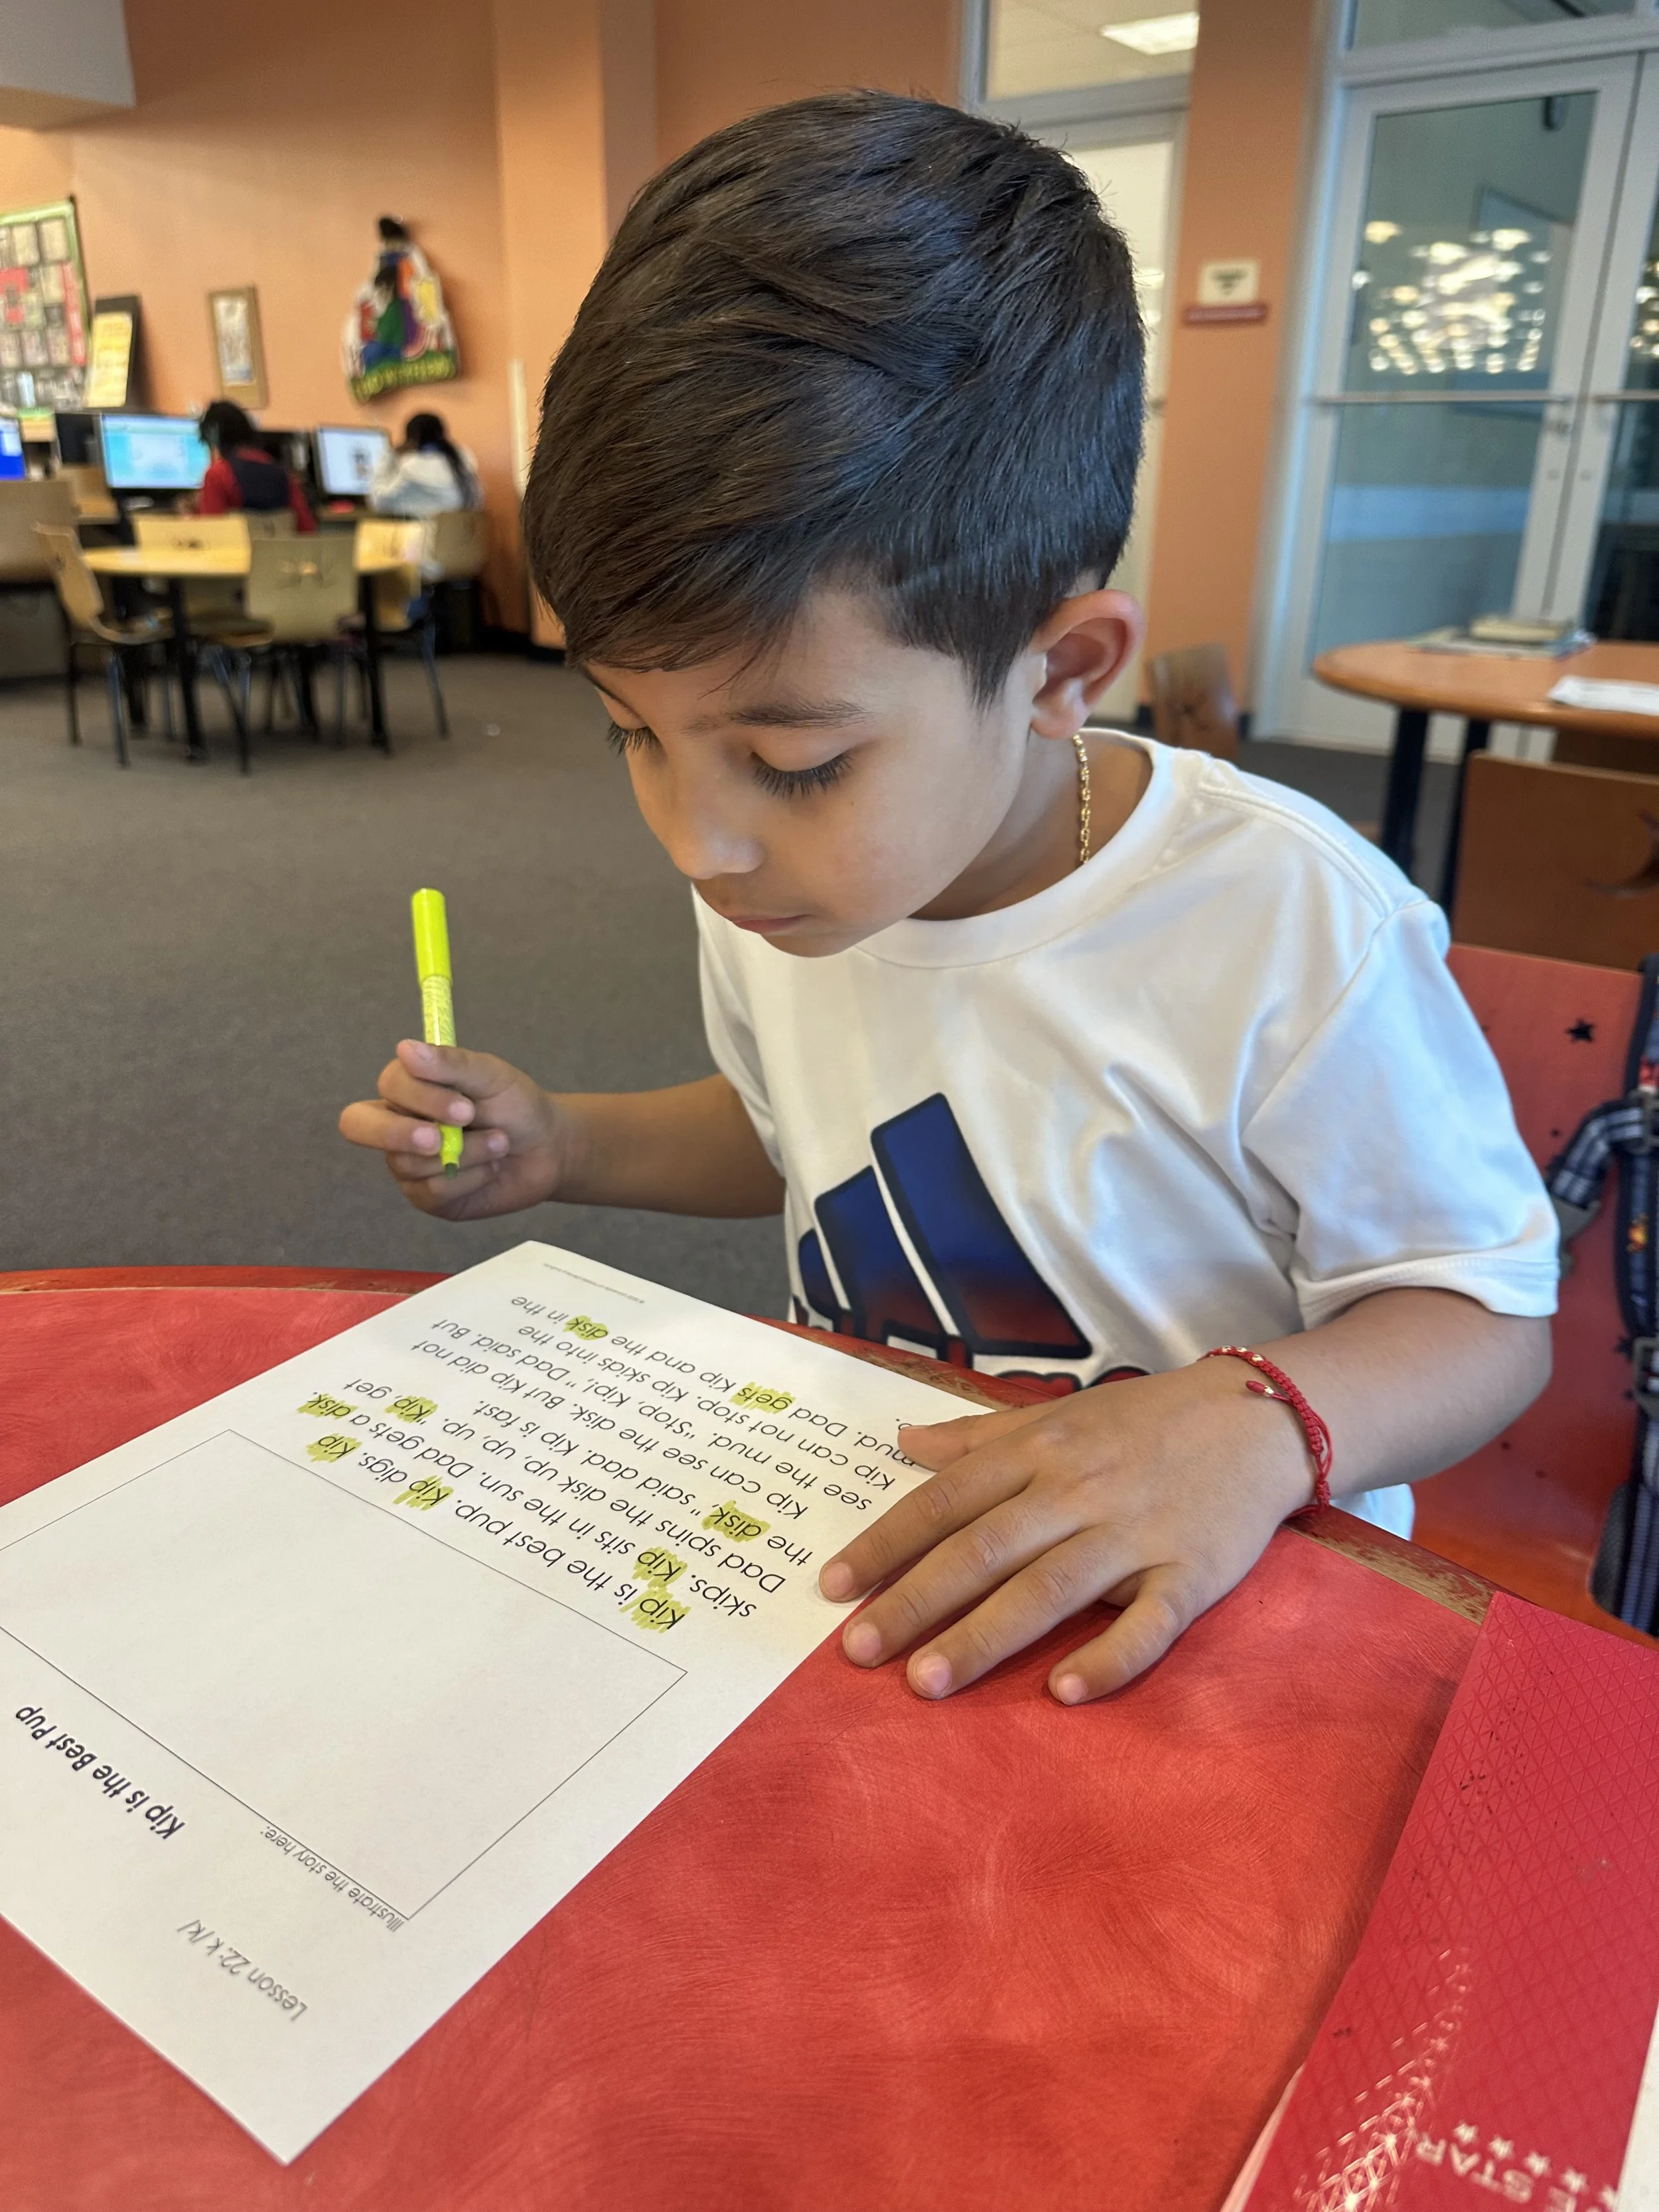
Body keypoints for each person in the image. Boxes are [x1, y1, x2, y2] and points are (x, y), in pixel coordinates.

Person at [339, 94, 1555, 1708]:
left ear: (1059, 671)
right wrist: (569, 1142)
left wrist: (1258, 1418)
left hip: (1219, 1617)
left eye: (794, 758)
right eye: (632, 732)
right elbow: (802, 1130)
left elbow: (1482, 1311)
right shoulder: (791, 885)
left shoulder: (1287, 921)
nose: (699, 843)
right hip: (887, 1570)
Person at [196, 401, 315, 532]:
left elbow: (212, 531)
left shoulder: (217, 475)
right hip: (281, 552)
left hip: (237, 551)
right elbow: (307, 529)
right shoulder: (283, 475)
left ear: (214, 437)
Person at [368, 411, 478, 517]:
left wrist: (391, 456)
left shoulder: (411, 467)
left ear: (411, 440)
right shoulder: (462, 459)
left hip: (417, 534)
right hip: (456, 534)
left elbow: (379, 503)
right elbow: (476, 501)